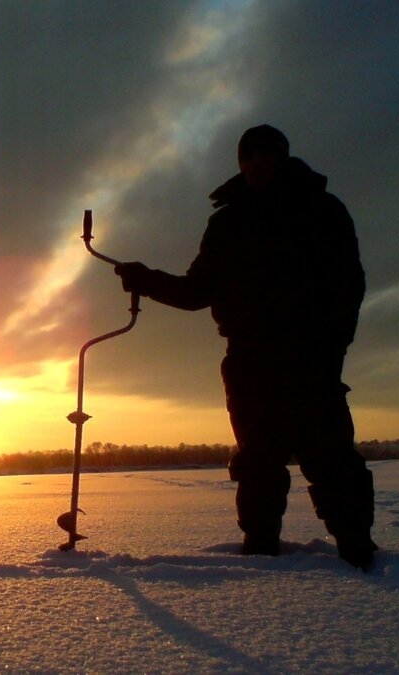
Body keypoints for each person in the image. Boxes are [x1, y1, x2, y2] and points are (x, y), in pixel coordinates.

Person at [115, 125, 377, 569]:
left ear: (281, 157)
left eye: (262, 154)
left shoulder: (322, 210)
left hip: (311, 359)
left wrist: (332, 347)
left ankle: (358, 548)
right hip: (249, 363)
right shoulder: (226, 222)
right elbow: (197, 291)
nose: (253, 163)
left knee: (331, 457)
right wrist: (147, 279)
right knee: (257, 464)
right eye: (246, 156)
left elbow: (348, 285)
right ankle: (260, 553)